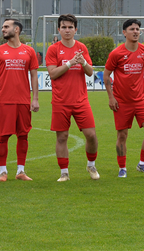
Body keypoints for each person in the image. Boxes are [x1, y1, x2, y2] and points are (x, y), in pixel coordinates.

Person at [46, 14, 100, 182]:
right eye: (64, 27)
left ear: (76, 29)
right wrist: (70, 63)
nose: (67, 30)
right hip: (60, 101)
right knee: (62, 137)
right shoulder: (53, 49)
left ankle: (91, 165)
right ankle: (64, 172)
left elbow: (90, 72)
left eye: (70, 27)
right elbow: (53, 74)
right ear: (59, 29)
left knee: (91, 134)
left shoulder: (82, 47)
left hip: (81, 100)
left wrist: (82, 62)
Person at [103, 19, 144, 178]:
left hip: (140, 100)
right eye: (132, 29)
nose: (136, 31)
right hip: (121, 102)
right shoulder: (116, 53)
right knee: (122, 135)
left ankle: (142, 164)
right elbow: (106, 75)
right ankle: (122, 168)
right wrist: (111, 97)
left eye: (138, 29)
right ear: (124, 32)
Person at [0, 19, 39, 182]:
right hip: (5, 101)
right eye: (2, 27)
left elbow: (34, 76)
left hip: (24, 101)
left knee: (23, 135)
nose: (3, 29)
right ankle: (3, 172)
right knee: (3, 136)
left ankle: (21, 171)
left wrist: (35, 99)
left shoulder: (29, 51)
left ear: (16, 29)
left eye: (6, 27)